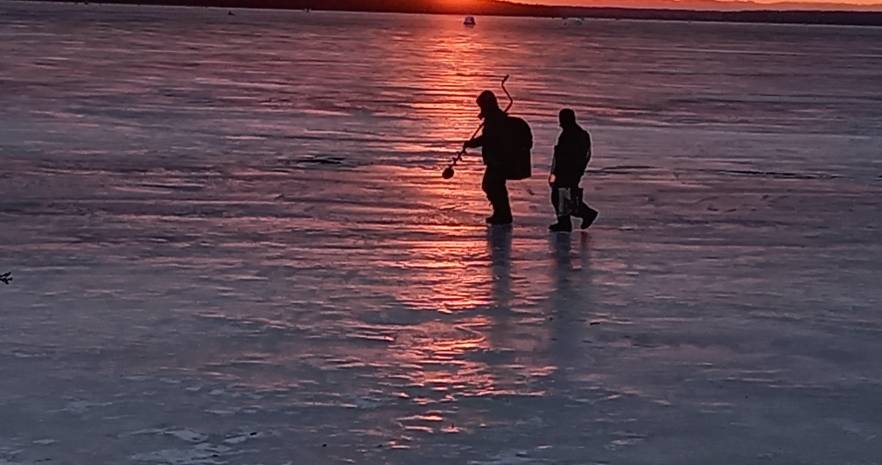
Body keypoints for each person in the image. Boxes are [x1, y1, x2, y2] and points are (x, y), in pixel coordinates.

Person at [463, 91, 514, 225]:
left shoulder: (495, 119)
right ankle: (502, 213)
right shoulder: (493, 117)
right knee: (494, 186)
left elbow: (488, 139)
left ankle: (502, 214)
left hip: (498, 159)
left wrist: (472, 143)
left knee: (492, 185)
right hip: (497, 159)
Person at [548, 108, 599, 232]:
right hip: (571, 171)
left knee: (561, 196)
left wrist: (556, 172)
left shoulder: (571, 134)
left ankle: (583, 215)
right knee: (563, 196)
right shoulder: (575, 133)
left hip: (567, 172)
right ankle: (571, 219)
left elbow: (563, 156)